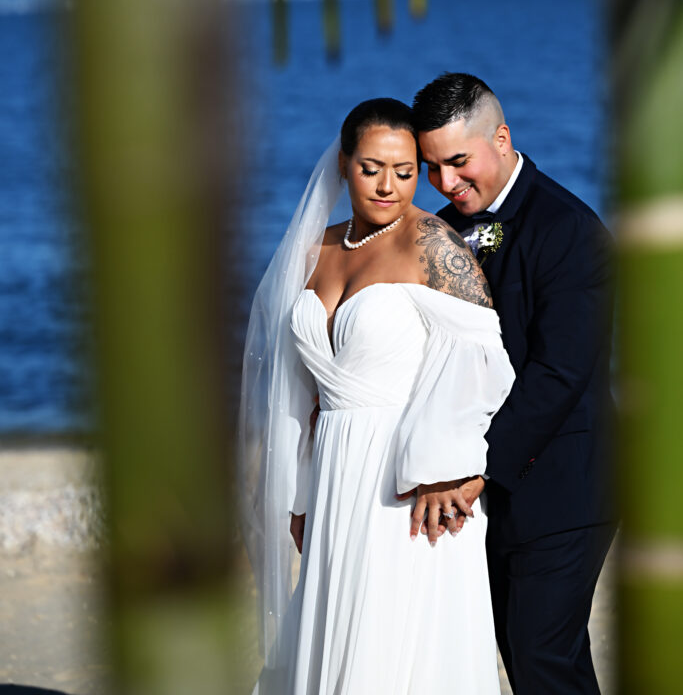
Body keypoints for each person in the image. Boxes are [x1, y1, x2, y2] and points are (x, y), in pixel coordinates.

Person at [238, 97, 515, 694]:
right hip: (336, 474)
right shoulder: (313, 252)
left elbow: (485, 365)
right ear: (343, 164)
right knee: (338, 634)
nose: (389, 185)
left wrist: (449, 469)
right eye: (372, 168)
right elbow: (300, 392)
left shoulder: (433, 246)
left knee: (395, 646)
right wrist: (300, 492)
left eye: (406, 170)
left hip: (409, 481)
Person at [411, 73, 616, 695]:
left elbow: (559, 372)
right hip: (487, 493)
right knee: (533, 660)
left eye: (458, 162)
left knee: (540, 662)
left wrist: (476, 471)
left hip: (561, 488)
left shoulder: (570, 230)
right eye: (431, 168)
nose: (446, 183)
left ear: (501, 138)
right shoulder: (442, 230)